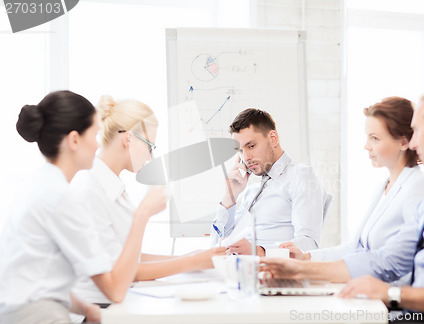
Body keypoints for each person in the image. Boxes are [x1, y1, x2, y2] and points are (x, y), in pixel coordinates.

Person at [261, 86, 424, 319]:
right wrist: (300, 268)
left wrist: (392, 294)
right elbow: (387, 259)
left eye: (416, 131)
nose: (413, 143)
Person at [0, 91, 167, 324]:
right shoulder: (61, 197)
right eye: (95, 134)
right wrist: (143, 215)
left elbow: (40, 276)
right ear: (75, 140)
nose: (98, 144)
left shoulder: (42, 185)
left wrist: (85, 308)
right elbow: (116, 290)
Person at [71, 95, 227, 305]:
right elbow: (122, 271)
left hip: (115, 303)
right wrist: (190, 262)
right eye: (150, 146)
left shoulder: (113, 186)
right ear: (128, 139)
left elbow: (129, 256)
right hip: (97, 309)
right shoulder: (91, 190)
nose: (150, 158)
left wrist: (190, 257)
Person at [282, 97, 424, 264]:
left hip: (392, 287)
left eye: (375, 138)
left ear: (404, 142)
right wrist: (307, 257)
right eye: (368, 137)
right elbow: (358, 247)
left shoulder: (418, 188)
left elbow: (419, 258)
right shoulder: (384, 187)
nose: (366, 146)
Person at [212, 108, 328, 256]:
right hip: (237, 270)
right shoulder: (250, 192)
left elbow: (309, 244)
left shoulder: (301, 176)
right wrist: (229, 197)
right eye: (240, 151)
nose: (246, 157)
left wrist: (261, 252)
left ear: (273, 138)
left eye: (251, 146)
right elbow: (217, 247)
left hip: (270, 272)